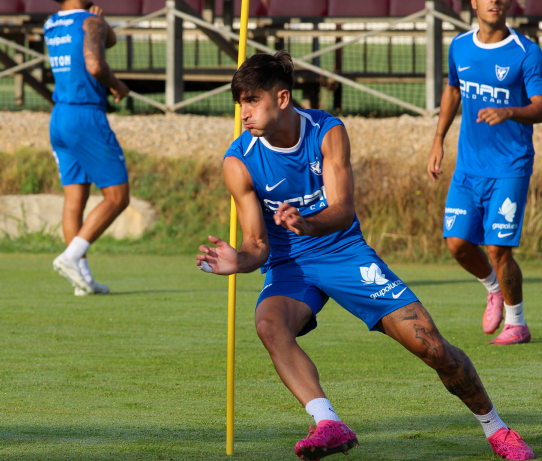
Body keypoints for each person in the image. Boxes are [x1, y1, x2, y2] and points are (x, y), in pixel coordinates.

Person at [197, 51, 534, 460]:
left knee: (432, 347)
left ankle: (497, 429)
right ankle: (328, 422)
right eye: (239, 103)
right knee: (269, 325)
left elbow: (343, 210)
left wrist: (307, 222)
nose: (243, 113)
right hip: (289, 263)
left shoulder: (326, 131)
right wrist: (241, 262)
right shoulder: (238, 161)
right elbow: (257, 243)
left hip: (344, 251)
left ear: (282, 98)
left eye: (252, 100)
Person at [428, 0, 542, 344]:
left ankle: (516, 323)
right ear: (473, 3)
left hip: (510, 165)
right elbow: (452, 90)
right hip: (468, 166)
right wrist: (438, 140)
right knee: (457, 243)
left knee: (497, 249)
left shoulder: (527, 51)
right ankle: (493, 289)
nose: (494, 0)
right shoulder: (460, 46)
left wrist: (510, 111)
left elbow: (540, 106)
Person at [44, 0, 131, 295]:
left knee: (74, 199)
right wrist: (118, 86)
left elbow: (109, 39)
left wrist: (99, 24)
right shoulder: (90, 22)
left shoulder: (52, 23)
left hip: (59, 116)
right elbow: (96, 64)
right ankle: (70, 258)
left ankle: (80, 279)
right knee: (118, 196)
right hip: (86, 116)